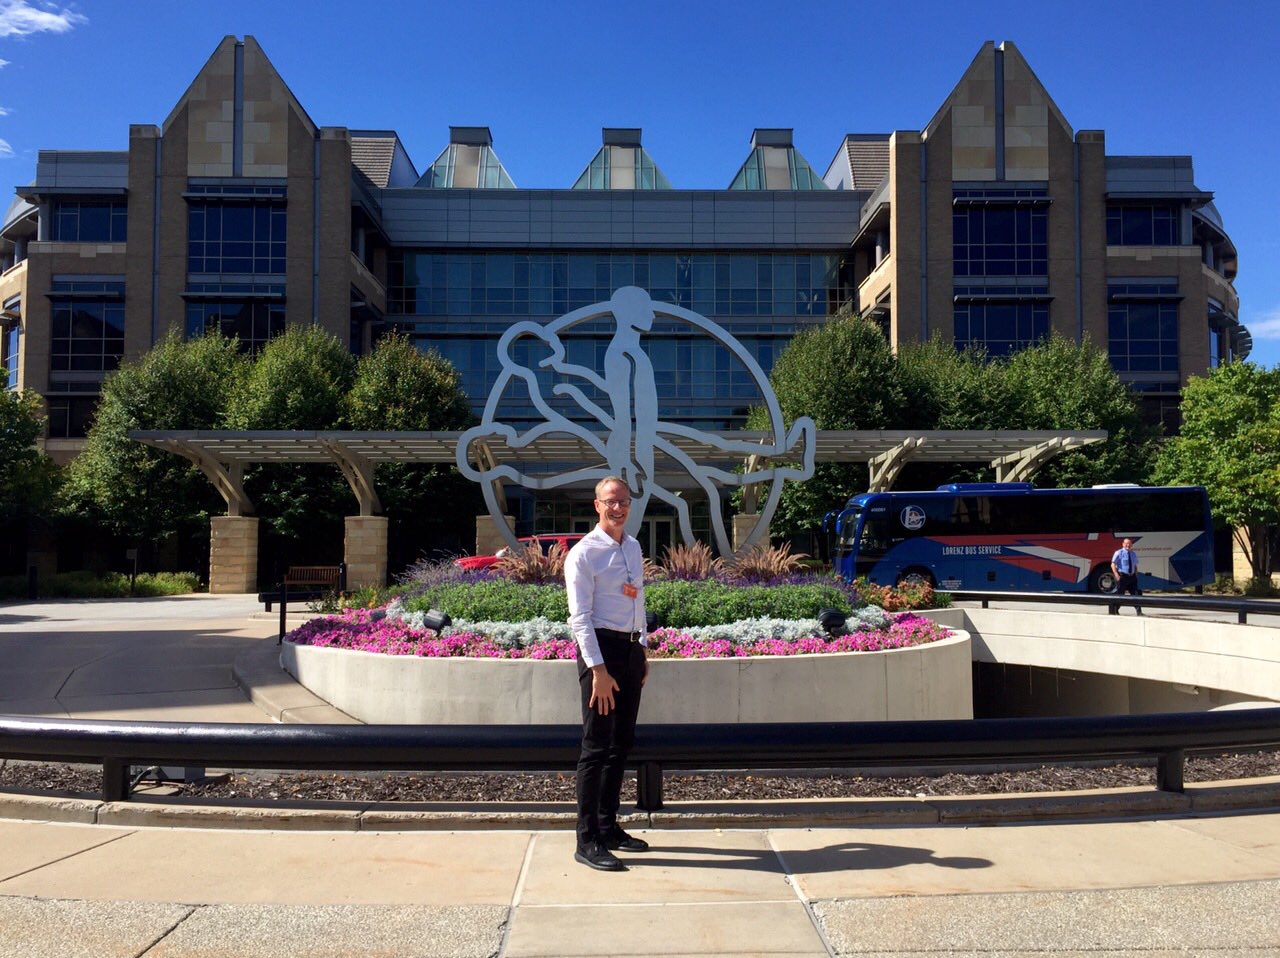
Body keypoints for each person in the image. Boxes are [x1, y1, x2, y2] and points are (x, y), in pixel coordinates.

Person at [564, 475, 651, 871]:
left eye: (624, 501)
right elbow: (579, 619)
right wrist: (598, 671)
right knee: (596, 747)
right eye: (610, 502)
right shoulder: (583, 555)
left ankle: (608, 824)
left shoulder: (632, 547)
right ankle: (587, 840)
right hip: (600, 653)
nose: (618, 508)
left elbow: (638, 600)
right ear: (597, 506)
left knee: (621, 744)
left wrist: (643, 651)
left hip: (630, 650)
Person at [1110, 537, 1143, 615]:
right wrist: (1116, 575)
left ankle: (1139, 612)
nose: (1128, 545)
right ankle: (1115, 610)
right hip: (1122, 576)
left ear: (1131, 545)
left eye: (1129, 544)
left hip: (1132, 577)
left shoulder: (1133, 553)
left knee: (1135, 594)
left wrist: (1136, 574)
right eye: (1126, 544)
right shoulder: (1118, 553)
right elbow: (1113, 564)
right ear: (1123, 544)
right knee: (1120, 595)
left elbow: (1135, 565)